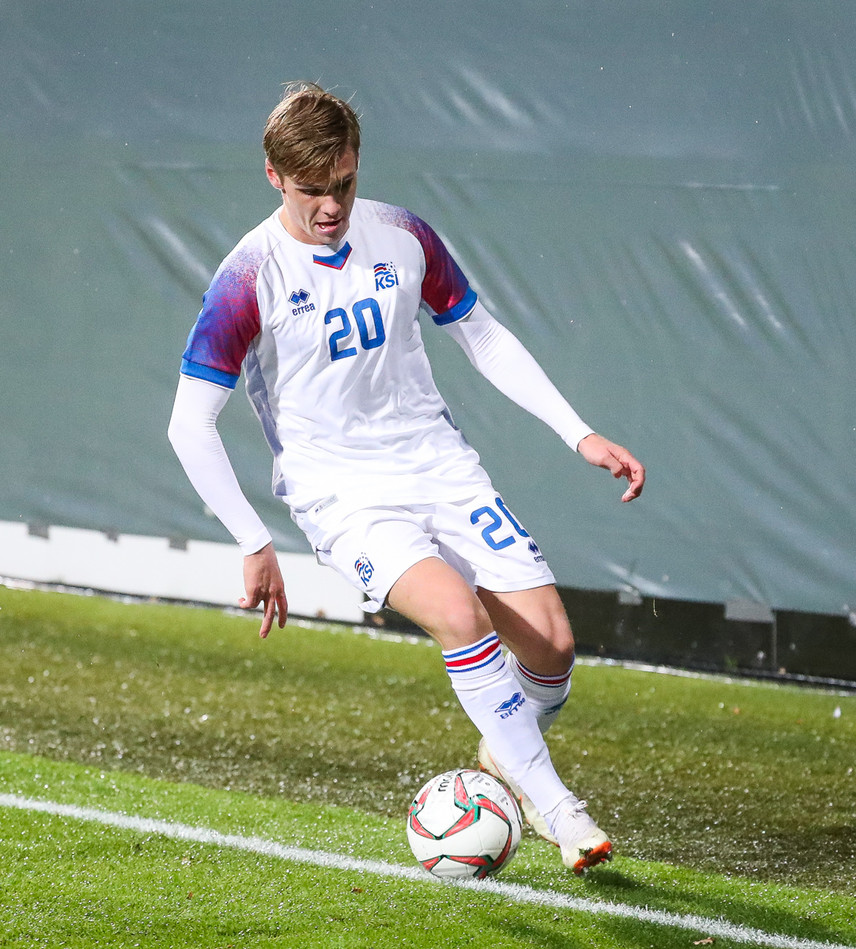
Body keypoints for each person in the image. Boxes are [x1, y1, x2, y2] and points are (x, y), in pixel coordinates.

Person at [168, 81, 645, 875]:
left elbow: (481, 335)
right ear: (274, 176)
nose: (331, 205)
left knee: (553, 648)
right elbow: (190, 423)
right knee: (459, 614)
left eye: (344, 182)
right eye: (312, 189)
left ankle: (506, 755)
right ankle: (559, 807)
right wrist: (252, 539)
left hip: (438, 464)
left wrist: (580, 432)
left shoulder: (401, 234)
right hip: (341, 494)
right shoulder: (248, 275)